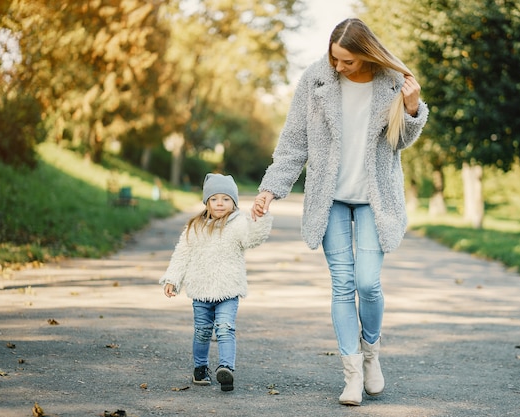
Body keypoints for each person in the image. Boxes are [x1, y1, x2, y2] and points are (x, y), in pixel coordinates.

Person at [251, 18, 428, 406]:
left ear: (366, 55)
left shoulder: (393, 82)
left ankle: (371, 355)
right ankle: (350, 376)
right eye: (334, 59)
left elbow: (400, 142)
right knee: (343, 285)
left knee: (368, 283)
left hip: (374, 197)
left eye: (347, 61)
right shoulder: (316, 81)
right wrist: (270, 189)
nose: (338, 68)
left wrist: (413, 108)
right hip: (328, 198)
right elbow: (294, 142)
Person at [160, 173, 273, 392]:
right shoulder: (195, 226)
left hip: (228, 290)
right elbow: (182, 254)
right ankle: (200, 368)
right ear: (207, 202)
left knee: (225, 328)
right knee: (202, 331)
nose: (219, 203)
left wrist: (261, 218)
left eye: (225, 199)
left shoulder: (239, 223)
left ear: (234, 202)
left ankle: (226, 369)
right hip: (201, 290)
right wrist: (173, 279)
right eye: (214, 199)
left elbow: (254, 239)